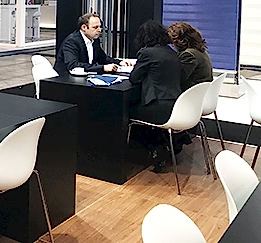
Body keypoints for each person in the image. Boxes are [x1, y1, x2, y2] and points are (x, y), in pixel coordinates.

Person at [128, 20, 182, 172]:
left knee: (125, 112)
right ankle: (162, 146)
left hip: (157, 106)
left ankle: (151, 149)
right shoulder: (172, 52)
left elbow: (134, 78)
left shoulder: (147, 53)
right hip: (176, 106)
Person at [54, 13, 131, 74]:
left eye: (100, 27)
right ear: (84, 27)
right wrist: (102, 68)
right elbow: (73, 65)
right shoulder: (72, 41)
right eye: (95, 27)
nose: (99, 30)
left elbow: (103, 58)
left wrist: (119, 62)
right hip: (65, 79)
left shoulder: (94, 39)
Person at [167, 22, 213, 91]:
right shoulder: (200, 51)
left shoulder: (189, 55)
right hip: (202, 91)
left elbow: (178, 79)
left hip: (191, 93)